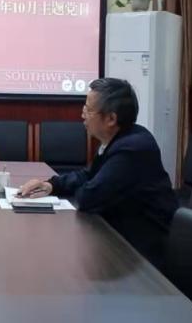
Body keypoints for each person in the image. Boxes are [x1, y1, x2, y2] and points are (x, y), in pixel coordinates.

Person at [17, 78, 178, 270]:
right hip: (121, 239)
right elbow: (88, 175)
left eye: (88, 110)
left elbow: (89, 197)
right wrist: (52, 185)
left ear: (111, 119)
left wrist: (84, 186)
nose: (82, 115)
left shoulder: (132, 148)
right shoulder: (117, 140)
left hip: (144, 257)